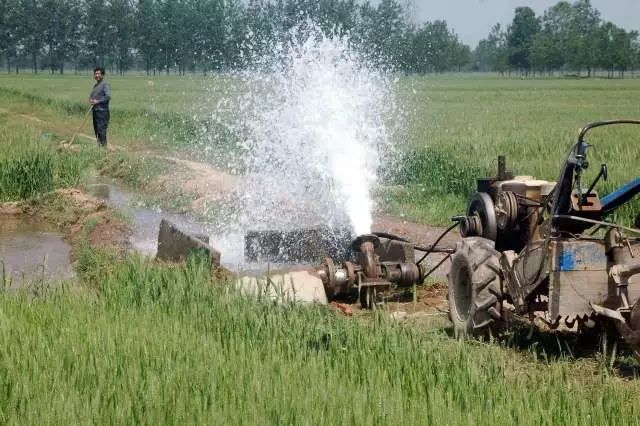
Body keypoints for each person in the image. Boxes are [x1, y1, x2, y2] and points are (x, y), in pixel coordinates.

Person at [89, 66, 111, 147]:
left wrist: (97, 101)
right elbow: (91, 97)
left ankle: (104, 149)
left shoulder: (105, 84)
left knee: (101, 132)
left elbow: (108, 96)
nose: (97, 75)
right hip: (95, 112)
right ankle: (99, 148)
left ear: (102, 75)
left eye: (98, 74)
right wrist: (91, 100)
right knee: (97, 131)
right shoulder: (95, 86)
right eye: (95, 74)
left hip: (102, 112)